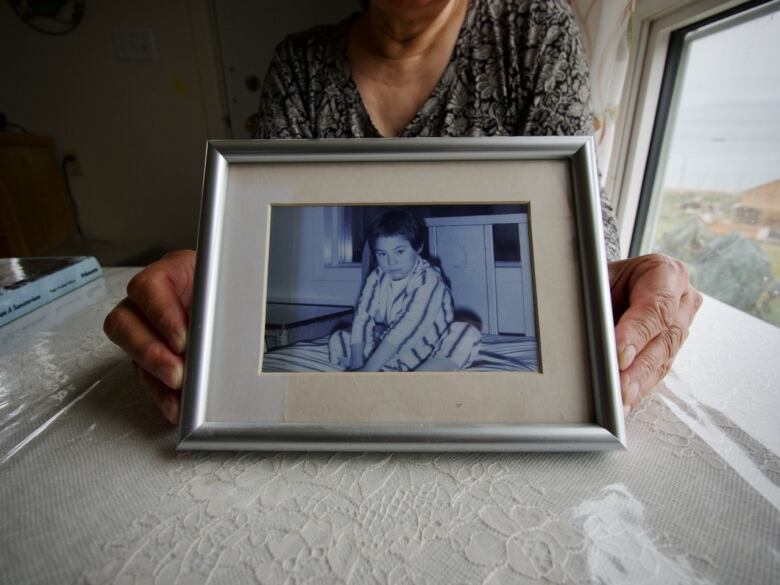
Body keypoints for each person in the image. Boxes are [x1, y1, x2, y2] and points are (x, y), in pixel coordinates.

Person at [104, 0, 702, 424]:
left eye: (397, 254)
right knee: (343, 337)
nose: (387, 262)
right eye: (380, 254)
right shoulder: (302, 64)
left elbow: (575, 213)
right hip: (376, 352)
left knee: (456, 344)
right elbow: (269, 228)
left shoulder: (536, 30)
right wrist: (221, 278)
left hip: (423, 342)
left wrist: (603, 283)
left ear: (416, 253)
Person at [328, 209, 481, 372]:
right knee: (340, 338)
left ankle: (418, 378)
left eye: (399, 251)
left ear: (418, 247)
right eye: (382, 254)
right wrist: (357, 364)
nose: (391, 261)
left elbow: (404, 329)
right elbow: (362, 317)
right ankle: (383, 371)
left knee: (466, 333)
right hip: (393, 352)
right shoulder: (377, 276)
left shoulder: (428, 279)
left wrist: (367, 370)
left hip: (431, 351)